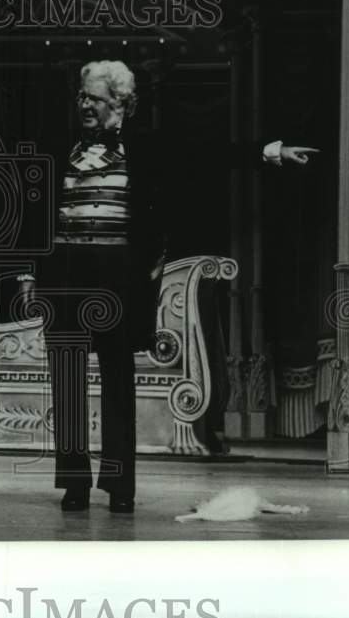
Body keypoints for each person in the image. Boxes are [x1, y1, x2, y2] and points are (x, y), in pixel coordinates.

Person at [46, 60, 316, 514]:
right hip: (67, 273)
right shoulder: (63, 149)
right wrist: (30, 273)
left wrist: (268, 152)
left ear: (120, 105)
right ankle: (74, 483)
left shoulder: (142, 147)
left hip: (116, 273)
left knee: (117, 381)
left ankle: (119, 486)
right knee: (67, 381)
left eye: (93, 97)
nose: (84, 105)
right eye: (81, 96)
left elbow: (204, 155)